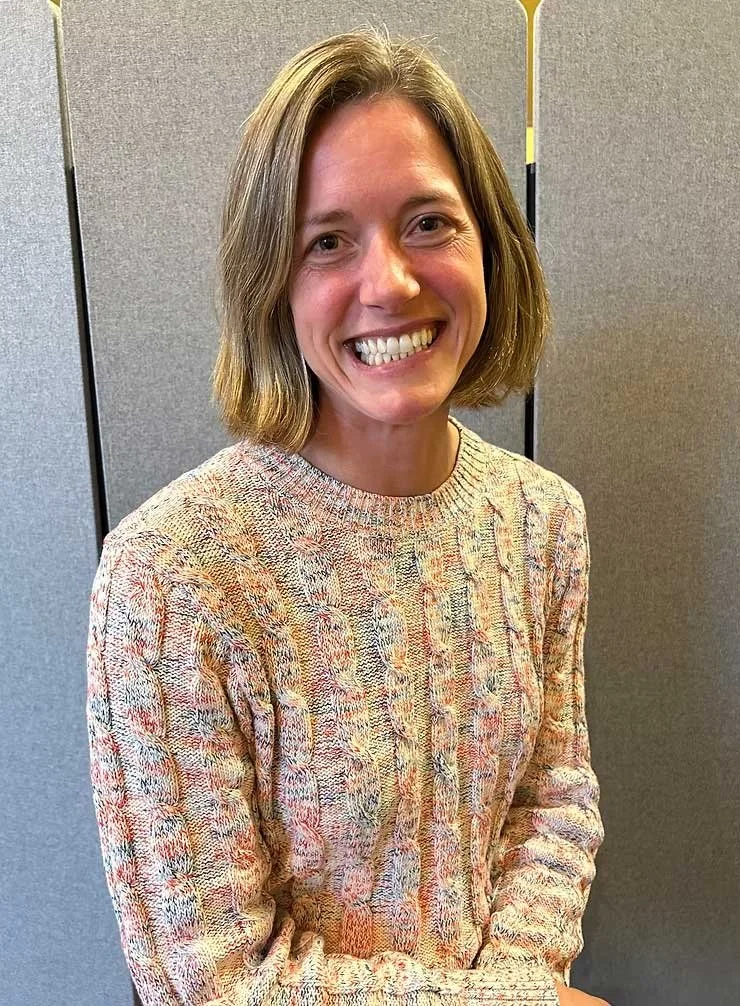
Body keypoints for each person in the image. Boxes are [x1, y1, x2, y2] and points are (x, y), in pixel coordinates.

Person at [86, 26, 608, 1006]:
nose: (390, 283)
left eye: (427, 222)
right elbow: (210, 976)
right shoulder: (171, 575)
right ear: (271, 286)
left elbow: (552, 794)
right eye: (327, 241)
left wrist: (518, 986)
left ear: (487, 242)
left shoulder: (542, 523)